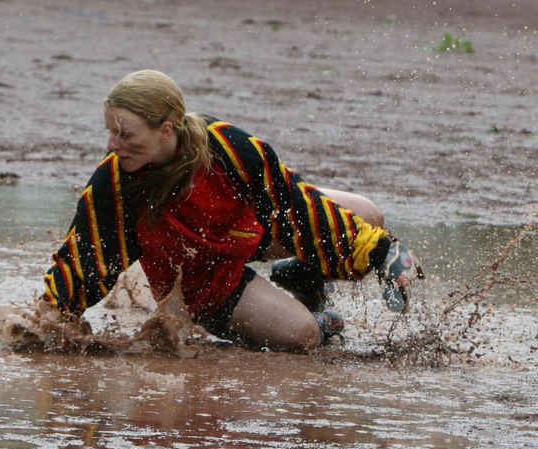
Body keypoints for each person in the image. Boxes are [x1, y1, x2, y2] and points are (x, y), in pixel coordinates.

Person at [42, 70, 423, 352]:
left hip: (246, 233)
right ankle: (321, 318)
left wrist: (379, 252)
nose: (113, 144)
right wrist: (47, 322)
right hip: (201, 280)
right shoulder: (114, 182)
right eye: (110, 132)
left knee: (367, 215)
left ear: (166, 130)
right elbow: (86, 258)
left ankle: (304, 276)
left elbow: (292, 205)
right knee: (302, 335)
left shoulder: (227, 145)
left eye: (126, 135)